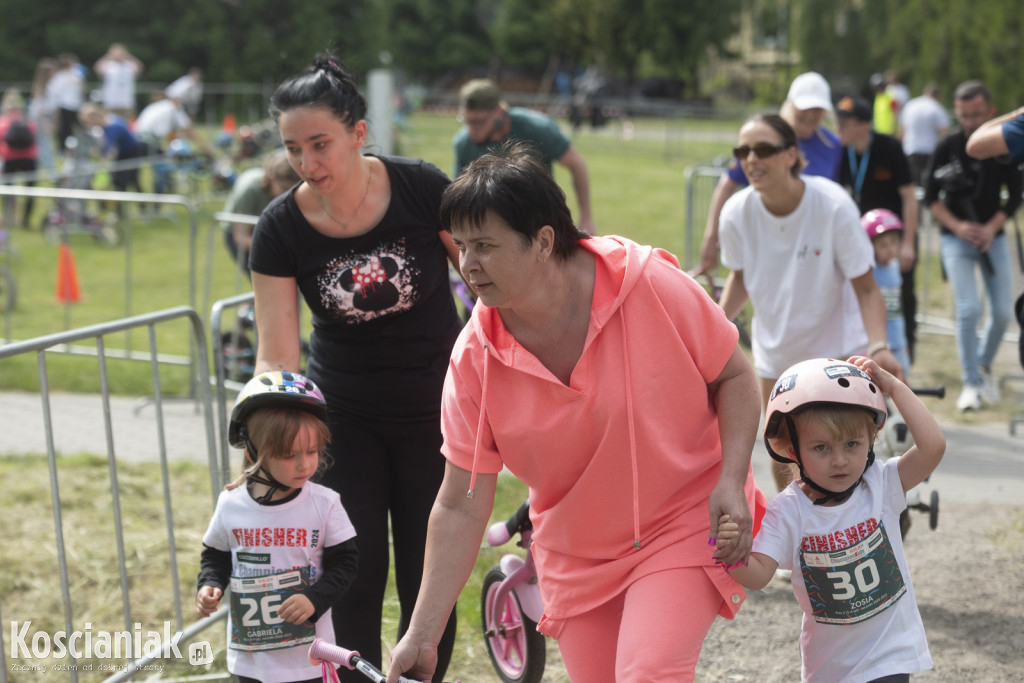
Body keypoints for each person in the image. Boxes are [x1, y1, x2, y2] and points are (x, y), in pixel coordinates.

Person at [385, 142, 765, 683]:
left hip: (683, 518)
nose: (468, 265)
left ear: (542, 241)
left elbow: (735, 376)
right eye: (462, 246)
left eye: (486, 246)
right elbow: (462, 503)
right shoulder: (474, 357)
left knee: (648, 672)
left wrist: (732, 480)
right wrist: (422, 633)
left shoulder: (648, 283)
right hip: (576, 553)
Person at [249, 53, 462, 682]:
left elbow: (484, 276)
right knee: (351, 572)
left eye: (321, 144)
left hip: (440, 410)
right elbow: (278, 350)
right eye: (293, 150)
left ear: (359, 134)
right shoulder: (280, 228)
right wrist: (264, 432)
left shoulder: (423, 188)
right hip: (342, 418)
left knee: (430, 574)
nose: (308, 164)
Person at [715, 356, 945, 682]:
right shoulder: (789, 510)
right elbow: (760, 575)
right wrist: (732, 554)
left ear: (871, 440)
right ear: (791, 449)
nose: (840, 460)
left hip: (889, 656)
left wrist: (893, 388)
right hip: (831, 669)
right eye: (821, 448)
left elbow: (933, 447)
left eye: (852, 444)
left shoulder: (881, 484)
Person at [717, 113, 902, 493]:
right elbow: (740, 279)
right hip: (777, 355)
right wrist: (709, 335)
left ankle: (863, 532)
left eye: (763, 149)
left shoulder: (832, 206)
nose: (751, 159)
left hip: (838, 354)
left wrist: (879, 344)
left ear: (790, 155)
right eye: (743, 151)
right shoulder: (736, 213)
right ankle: (801, 545)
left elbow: (867, 289)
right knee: (785, 459)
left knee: (843, 459)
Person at [196, 371, 359, 683]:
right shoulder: (231, 504)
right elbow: (215, 555)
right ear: (254, 451)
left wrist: (315, 597)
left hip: (309, 658)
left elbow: (346, 563)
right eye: (289, 455)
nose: (304, 464)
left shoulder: (325, 503)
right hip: (250, 661)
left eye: (312, 452)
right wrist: (209, 584)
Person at [924, 80, 1021, 412]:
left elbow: (1015, 197)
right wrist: (958, 226)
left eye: (977, 115)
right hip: (956, 238)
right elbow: (930, 197)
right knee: (968, 309)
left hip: (992, 237)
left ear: (990, 113)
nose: (971, 123)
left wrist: (991, 228)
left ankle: (983, 365)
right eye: (964, 116)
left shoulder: (1003, 147)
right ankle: (971, 382)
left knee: (1003, 311)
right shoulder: (947, 145)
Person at [697, 71, 841, 276]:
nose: (810, 114)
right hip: (769, 237)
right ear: (791, 105)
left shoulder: (832, 145)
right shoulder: (765, 140)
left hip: (813, 243)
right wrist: (711, 237)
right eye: (805, 107)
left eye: (817, 109)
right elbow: (728, 183)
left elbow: (832, 195)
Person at [835, 95, 920, 365]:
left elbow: (909, 196)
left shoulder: (890, 148)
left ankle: (904, 359)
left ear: (864, 125)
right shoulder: (840, 151)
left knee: (899, 298)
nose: (839, 128)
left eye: (845, 123)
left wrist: (907, 244)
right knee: (858, 296)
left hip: (891, 241)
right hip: (857, 241)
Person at [452, 78, 595, 235]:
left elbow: (576, 163)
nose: (472, 129)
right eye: (468, 121)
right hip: (492, 228)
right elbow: (462, 195)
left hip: (539, 221)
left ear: (499, 112)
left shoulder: (536, 128)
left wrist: (586, 217)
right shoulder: (463, 143)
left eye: (479, 122)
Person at [221, 149, 300, 274]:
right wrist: (278, 250)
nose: (289, 196)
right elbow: (241, 237)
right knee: (268, 284)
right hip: (242, 235)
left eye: (294, 190)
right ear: (271, 178)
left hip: (270, 233)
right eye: (284, 188)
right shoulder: (250, 188)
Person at [862, 209, 911, 374]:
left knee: (903, 378)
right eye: (883, 245)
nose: (890, 249)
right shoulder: (868, 271)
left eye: (894, 242)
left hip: (897, 339)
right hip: (875, 342)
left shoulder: (895, 266)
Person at [77, 102, 145, 197]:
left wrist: (100, 162)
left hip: (131, 152)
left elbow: (109, 149)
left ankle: (135, 206)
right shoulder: (109, 120)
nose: (89, 125)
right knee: (126, 181)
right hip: (123, 153)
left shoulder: (112, 126)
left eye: (89, 122)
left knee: (125, 181)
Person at [899, 83, 951, 186]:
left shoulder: (910, 105)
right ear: (938, 96)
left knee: (914, 182)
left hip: (911, 148)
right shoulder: (937, 107)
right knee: (928, 183)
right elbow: (945, 132)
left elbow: (902, 129)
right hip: (930, 150)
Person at [0, 89, 38, 229]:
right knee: (30, 190)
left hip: (10, 157)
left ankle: (10, 218)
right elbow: (35, 138)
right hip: (29, 157)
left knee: (8, 191)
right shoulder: (28, 119)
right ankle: (25, 220)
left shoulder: (3, 121)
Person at [46, 53, 85, 151]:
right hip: (64, 106)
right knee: (65, 130)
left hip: (75, 106)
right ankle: (63, 149)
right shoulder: (60, 77)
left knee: (76, 129)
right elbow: (55, 93)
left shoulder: (76, 75)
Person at [94, 44, 143, 119]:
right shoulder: (108, 65)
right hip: (110, 101)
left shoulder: (130, 65)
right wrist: (108, 56)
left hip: (127, 101)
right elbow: (97, 69)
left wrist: (128, 56)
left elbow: (140, 67)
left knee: (128, 122)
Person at [28, 57, 57, 177]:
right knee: (45, 145)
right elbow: (39, 110)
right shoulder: (41, 89)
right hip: (40, 119)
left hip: (43, 118)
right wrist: (46, 123)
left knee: (44, 145)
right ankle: (51, 173)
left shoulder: (48, 86)